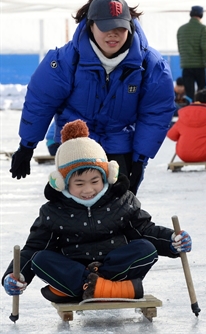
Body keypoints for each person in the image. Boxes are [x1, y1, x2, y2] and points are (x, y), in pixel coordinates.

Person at [2, 120, 192, 303]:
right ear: (63, 183)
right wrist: (16, 274)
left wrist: (171, 241)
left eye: (94, 181)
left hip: (113, 268)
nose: (88, 190)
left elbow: (145, 230)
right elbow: (35, 247)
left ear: (107, 175)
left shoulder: (122, 200)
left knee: (146, 248)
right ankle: (108, 288)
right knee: (40, 259)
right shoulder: (53, 211)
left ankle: (87, 287)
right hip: (74, 268)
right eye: (79, 183)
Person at [9, 0, 175, 195]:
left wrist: (140, 160)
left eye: (120, 27)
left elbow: (155, 113)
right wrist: (27, 145)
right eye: (105, 27)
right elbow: (41, 101)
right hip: (76, 145)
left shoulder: (151, 65)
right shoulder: (65, 60)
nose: (113, 34)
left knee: (120, 208)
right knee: (74, 205)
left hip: (119, 143)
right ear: (90, 25)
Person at [177, 5, 206, 102]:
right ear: (201, 15)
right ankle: (201, 112)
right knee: (202, 92)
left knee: (189, 93)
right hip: (199, 66)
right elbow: (205, 47)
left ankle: (189, 112)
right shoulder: (203, 28)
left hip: (186, 65)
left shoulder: (181, 29)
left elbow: (180, 48)